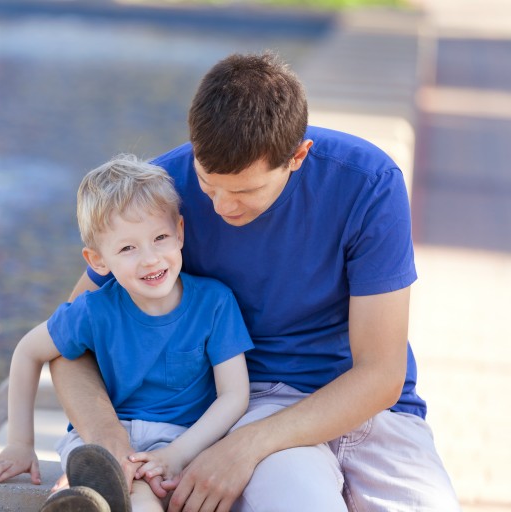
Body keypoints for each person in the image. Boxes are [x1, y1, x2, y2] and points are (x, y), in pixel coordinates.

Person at [48, 52, 461, 511]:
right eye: (208, 183)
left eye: (245, 191)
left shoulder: (369, 183)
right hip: (254, 402)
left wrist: (243, 448)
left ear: (297, 156)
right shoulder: (161, 197)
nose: (222, 206)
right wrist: (108, 439)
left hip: (372, 412)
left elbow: (381, 374)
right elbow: (68, 343)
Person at [0, 154, 253, 511]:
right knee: (100, 477)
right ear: (98, 261)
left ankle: (88, 498)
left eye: (160, 238)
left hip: (180, 440)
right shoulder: (93, 310)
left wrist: (176, 453)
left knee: (141, 494)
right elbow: (29, 351)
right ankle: (82, 496)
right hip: (99, 444)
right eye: (127, 248)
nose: (150, 258)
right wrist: (19, 443)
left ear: (180, 233)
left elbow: (234, 396)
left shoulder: (215, 303)